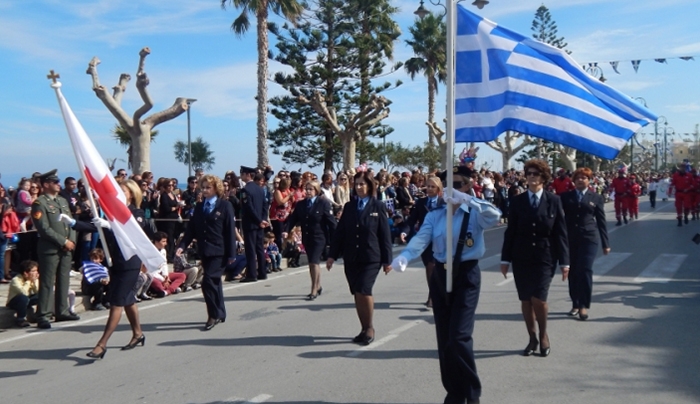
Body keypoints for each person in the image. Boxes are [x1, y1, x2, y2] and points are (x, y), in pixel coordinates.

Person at [391, 165, 502, 404]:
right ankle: (454, 391)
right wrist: (405, 256)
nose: (454, 189)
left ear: (469, 185)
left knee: (459, 337)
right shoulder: (435, 215)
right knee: (444, 339)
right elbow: (421, 239)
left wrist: (467, 200)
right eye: (450, 185)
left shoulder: (474, 212)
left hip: (466, 274)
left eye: (459, 184)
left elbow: (494, 216)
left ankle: (472, 393)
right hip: (441, 276)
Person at [500, 159, 569, 358]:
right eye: (529, 173)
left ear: (543, 177)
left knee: (539, 298)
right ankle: (532, 338)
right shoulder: (517, 201)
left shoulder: (554, 201)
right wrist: (505, 260)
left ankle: (543, 333)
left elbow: (560, 233)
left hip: (545, 256)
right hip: (521, 256)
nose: (531, 176)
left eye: (536, 173)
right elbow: (510, 232)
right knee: (526, 299)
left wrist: (565, 262)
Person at [85, 179, 153, 359]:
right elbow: (95, 226)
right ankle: (138, 334)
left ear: (131, 193)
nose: (119, 194)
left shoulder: (136, 213)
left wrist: (110, 224)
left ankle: (102, 344)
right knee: (128, 300)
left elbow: (131, 230)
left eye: (123, 191)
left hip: (130, 263)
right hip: (115, 262)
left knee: (116, 303)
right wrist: (72, 223)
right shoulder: (112, 213)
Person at [326, 171, 392, 345]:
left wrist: (387, 260)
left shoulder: (378, 206)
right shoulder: (349, 207)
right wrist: (332, 255)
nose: (359, 187)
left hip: (371, 256)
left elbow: (384, 234)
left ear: (370, 186)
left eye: (363, 184)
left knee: (364, 289)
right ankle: (363, 329)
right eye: (357, 184)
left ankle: (370, 327)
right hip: (352, 257)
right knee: (357, 292)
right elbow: (340, 233)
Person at [177, 174, 237, 330]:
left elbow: (230, 231)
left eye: (208, 187)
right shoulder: (199, 207)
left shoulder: (225, 206)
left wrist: (231, 254)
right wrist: (182, 245)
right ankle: (221, 312)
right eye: (202, 187)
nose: (204, 190)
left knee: (207, 282)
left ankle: (213, 315)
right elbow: (191, 230)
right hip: (204, 250)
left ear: (216, 188)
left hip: (220, 251)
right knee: (215, 282)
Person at [31, 169, 81, 329]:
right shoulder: (40, 203)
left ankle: (62, 310)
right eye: (55, 182)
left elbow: (70, 223)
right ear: (46, 184)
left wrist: (71, 241)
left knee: (64, 279)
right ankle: (43, 315)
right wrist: (63, 241)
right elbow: (43, 228)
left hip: (66, 248)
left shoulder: (62, 201)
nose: (59, 185)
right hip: (50, 248)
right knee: (47, 281)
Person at [561, 167, 610, 321]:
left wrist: (605, 243)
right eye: (578, 177)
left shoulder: (596, 197)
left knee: (585, 270)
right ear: (574, 180)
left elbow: (601, 222)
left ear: (589, 180)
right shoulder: (565, 197)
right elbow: (559, 220)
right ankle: (575, 303)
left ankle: (583, 305)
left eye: (584, 177)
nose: (581, 180)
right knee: (573, 270)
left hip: (589, 238)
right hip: (570, 238)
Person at [287, 180, 337, 299]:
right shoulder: (301, 204)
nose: (308, 191)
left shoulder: (323, 203)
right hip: (307, 237)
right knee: (312, 263)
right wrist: (286, 230)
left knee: (314, 262)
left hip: (319, 237)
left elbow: (331, 221)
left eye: (311, 189)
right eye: (307, 189)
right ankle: (318, 285)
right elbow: (293, 219)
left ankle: (313, 289)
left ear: (316, 190)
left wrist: (338, 236)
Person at [239, 167, 270, 282]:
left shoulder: (245, 190)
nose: (241, 176)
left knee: (251, 249)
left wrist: (258, 220)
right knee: (259, 248)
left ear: (248, 175)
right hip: (259, 224)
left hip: (251, 224)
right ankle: (262, 272)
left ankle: (251, 274)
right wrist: (263, 219)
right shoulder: (260, 189)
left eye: (242, 174)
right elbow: (265, 206)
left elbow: (249, 208)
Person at [5, 260, 40, 327]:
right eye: (33, 271)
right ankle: (21, 319)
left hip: (27, 299)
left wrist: (35, 281)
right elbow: (23, 293)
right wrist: (29, 281)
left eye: (36, 270)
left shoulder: (34, 279)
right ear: (25, 273)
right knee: (23, 298)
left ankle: (39, 315)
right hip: (15, 301)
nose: (36, 273)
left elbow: (37, 291)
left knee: (42, 295)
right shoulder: (16, 280)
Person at [150, 232, 186, 297]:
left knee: (182, 275)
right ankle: (171, 289)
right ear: (156, 242)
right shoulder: (149, 252)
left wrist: (166, 276)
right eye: (163, 241)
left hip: (162, 275)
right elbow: (151, 271)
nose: (165, 244)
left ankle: (168, 291)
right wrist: (163, 280)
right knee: (155, 282)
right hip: (154, 275)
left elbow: (164, 264)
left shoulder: (163, 250)